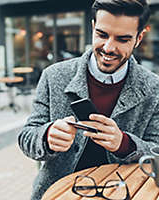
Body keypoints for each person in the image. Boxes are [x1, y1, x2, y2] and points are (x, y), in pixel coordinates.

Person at [18, 0, 159, 199]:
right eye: (102, 35)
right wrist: (47, 136)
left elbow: (157, 150)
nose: (109, 48)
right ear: (92, 27)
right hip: (58, 194)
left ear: (139, 38)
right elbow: (26, 138)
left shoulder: (154, 88)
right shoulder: (53, 76)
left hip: (126, 193)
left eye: (123, 39)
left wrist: (125, 144)